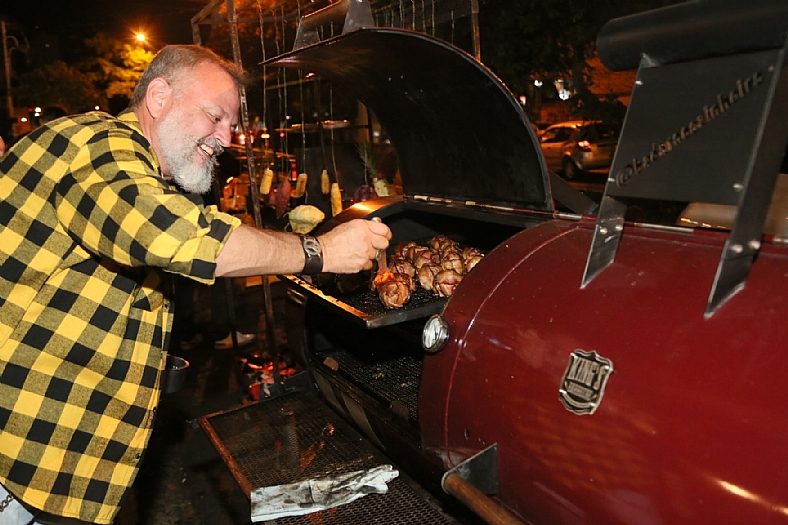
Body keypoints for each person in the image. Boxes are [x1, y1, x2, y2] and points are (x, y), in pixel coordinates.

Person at [0, 45, 390, 524]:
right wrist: (320, 252)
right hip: (16, 450)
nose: (227, 137)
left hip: (53, 457)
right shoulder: (94, 143)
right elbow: (167, 233)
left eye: (231, 123)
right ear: (159, 96)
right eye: (215, 116)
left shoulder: (143, 175)